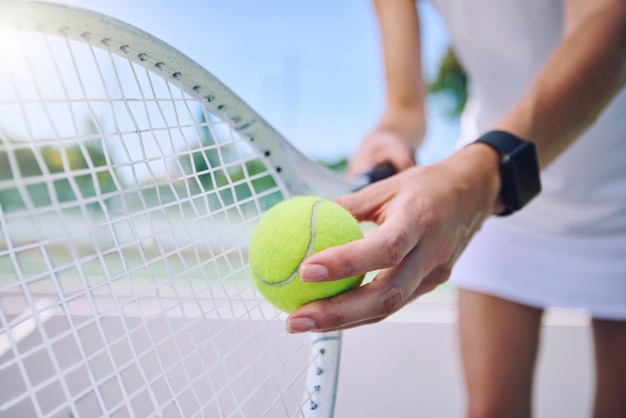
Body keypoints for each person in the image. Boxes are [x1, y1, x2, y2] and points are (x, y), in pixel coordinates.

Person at [285, 0, 626, 416]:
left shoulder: (482, 174)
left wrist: (481, 173)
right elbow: (405, 109)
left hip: (531, 171)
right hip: (492, 177)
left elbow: (608, 28)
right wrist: (390, 136)